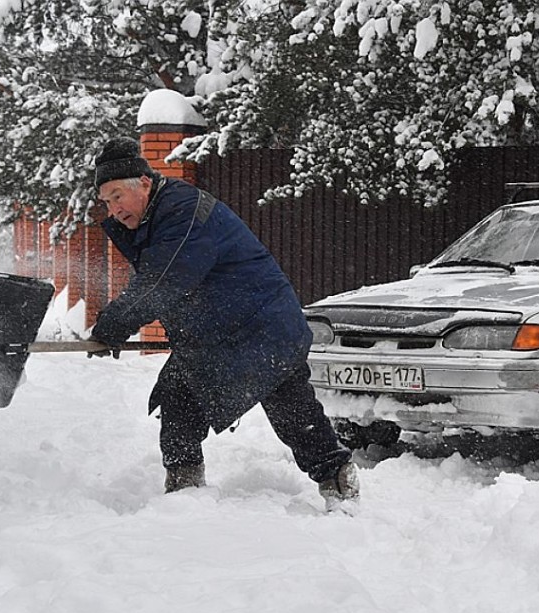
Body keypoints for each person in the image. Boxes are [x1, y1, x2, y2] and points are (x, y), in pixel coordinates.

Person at [88, 136, 359, 511]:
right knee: (178, 396)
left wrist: (113, 324)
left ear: (145, 183)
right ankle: (184, 492)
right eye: (106, 202)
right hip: (221, 333)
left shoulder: (182, 213)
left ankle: (339, 482)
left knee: (292, 413)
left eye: (117, 196)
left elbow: (163, 279)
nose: (113, 209)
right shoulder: (161, 213)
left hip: (262, 327)